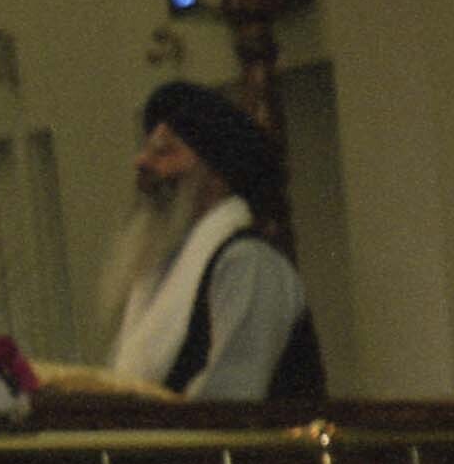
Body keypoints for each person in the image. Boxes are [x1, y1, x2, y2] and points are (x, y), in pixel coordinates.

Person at [100, 82, 322, 402]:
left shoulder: (248, 263)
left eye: (163, 151)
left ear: (215, 175)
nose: (141, 162)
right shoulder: (160, 272)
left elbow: (230, 397)